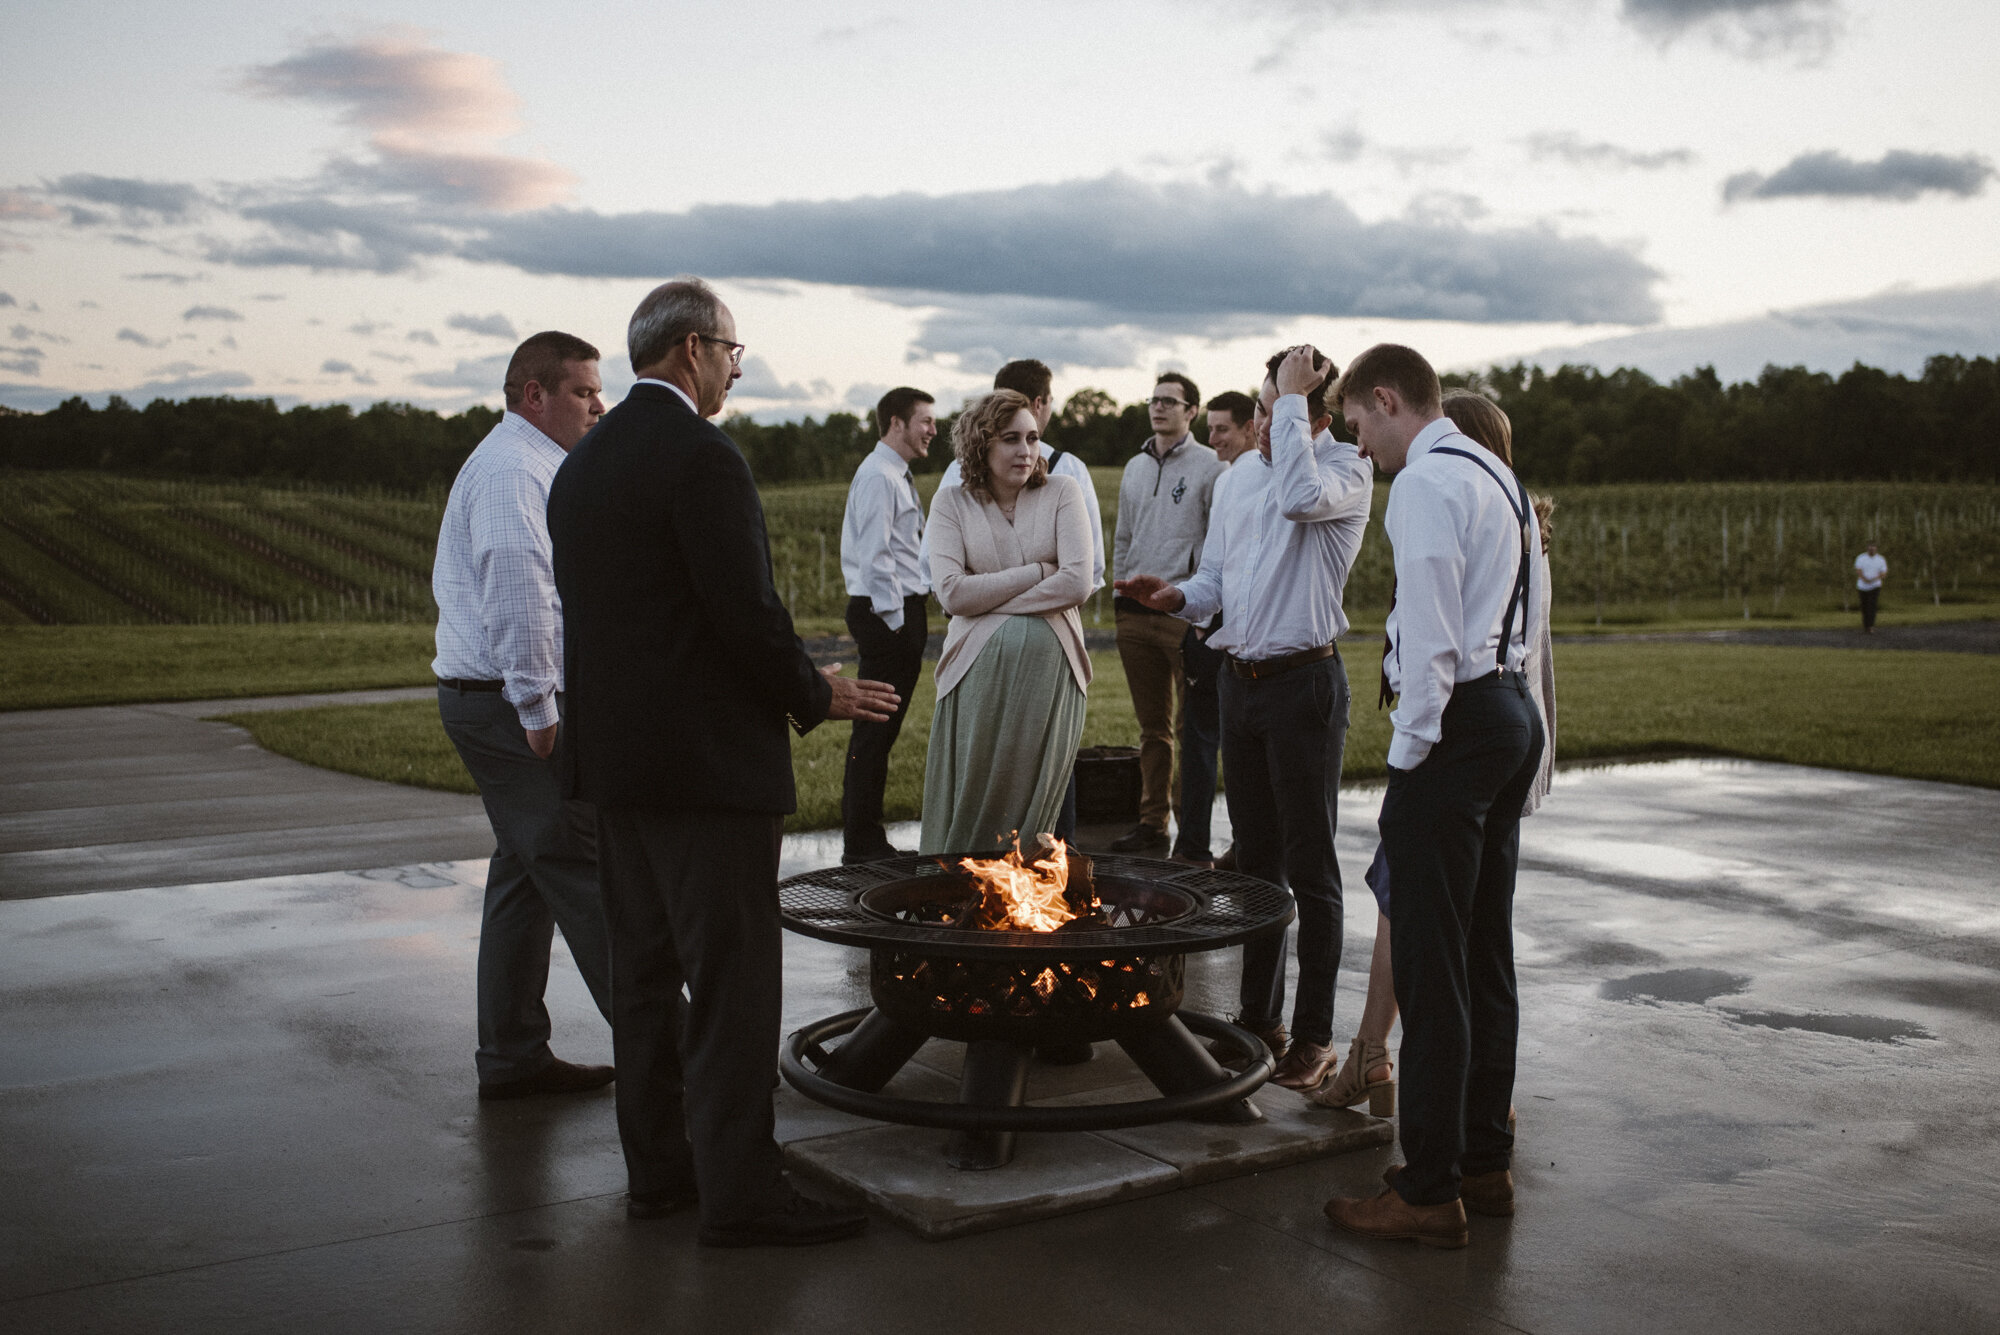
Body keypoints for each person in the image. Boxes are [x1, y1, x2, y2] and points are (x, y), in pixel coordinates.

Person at [546, 277, 899, 1247]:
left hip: (615, 769)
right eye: (733, 351)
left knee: (644, 982)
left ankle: (658, 1174)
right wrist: (812, 690)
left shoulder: (582, 465)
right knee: (733, 987)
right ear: (693, 349)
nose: (738, 369)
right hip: (705, 772)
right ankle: (743, 1193)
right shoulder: (700, 458)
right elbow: (740, 612)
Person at [1321, 345, 1547, 1251]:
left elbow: (1433, 643)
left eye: (1359, 426)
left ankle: (1427, 1186)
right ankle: (1484, 1161)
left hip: (1456, 722)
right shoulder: (1498, 474)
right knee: (1485, 945)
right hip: (1510, 710)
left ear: (1387, 401)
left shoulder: (1422, 482)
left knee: (1429, 958)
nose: (1361, 447)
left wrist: (1409, 762)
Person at [1116, 347, 1372, 1091]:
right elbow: (1218, 579)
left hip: (1305, 684)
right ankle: (1260, 1018)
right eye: (1264, 407)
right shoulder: (1238, 480)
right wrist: (1177, 598)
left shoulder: (1345, 471)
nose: (1259, 422)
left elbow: (1300, 497)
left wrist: (1293, 402)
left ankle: (1316, 1036)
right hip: (1240, 681)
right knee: (1256, 865)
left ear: (1312, 413)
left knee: (1311, 864)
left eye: (1273, 407)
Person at [431, 330, 615, 1102]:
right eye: (583, 391)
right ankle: (677, 1049)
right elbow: (519, 590)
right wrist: (540, 708)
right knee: (580, 868)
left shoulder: (537, 463)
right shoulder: (514, 470)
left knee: (524, 874)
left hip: (494, 702)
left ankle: (512, 1056)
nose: (599, 404)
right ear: (533, 395)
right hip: (510, 709)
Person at [921, 358, 1106, 840]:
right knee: (974, 806)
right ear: (981, 444)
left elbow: (1077, 584)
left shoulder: (1063, 492)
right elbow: (952, 593)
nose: (1026, 450)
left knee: (1041, 820)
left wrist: (987, 598)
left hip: (1051, 679)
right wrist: (1035, 572)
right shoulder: (952, 502)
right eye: (1010, 439)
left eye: (1031, 437)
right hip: (975, 680)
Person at [1109, 372, 1225, 853]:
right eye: (1154, 400)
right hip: (1134, 614)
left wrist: (1203, 610)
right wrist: (1118, 594)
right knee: (1152, 729)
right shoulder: (1135, 466)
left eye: (1170, 401)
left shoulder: (1210, 465)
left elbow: (1218, 543)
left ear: (1191, 411)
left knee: (1191, 731)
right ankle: (1150, 823)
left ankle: (1189, 834)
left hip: (1182, 613)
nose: (1158, 408)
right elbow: (1123, 534)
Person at [838, 386, 937, 863]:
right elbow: (875, 557)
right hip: (886, 614)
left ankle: (865, 838)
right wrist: (898, 623)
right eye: (926, 421)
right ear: (896, 423)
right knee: (874, 733)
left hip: (895, 610)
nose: (933, 431)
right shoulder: (880, 476)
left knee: (880, 734)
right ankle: (861, 844)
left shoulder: (894, 473)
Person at [1173, 389, 1260, 869]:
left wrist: (1212, 622)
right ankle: (1196, 844)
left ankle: (1237, 846)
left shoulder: (1255, 480)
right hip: (1209, 620)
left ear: (1251, 427)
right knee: (1201, 735)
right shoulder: (1226, 479)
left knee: (1230, 744)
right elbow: (1217, 561)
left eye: (1222, 428)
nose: (1212, 438)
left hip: (1237, 626)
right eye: (1209, 428)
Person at [1855, 542, 1887, 633]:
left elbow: (1883, 573)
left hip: (1875, 586)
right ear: (1867, 548)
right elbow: (1858, 570)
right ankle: (1866, 625)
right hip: (1862, 586)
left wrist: (1875, 579)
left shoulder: (1880, 559)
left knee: (1872, 606)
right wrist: (1864, 579)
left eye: (1873, 548)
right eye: (1870, 548)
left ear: (1876, 549)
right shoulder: (1861, 558)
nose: (1871, 550)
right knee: (1864, 606)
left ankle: (1870, 626)